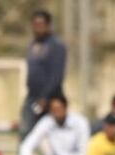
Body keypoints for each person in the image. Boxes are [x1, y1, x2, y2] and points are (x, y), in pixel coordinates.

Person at [19, 94, 89, 155]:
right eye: (54, 110)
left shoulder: (80, 122)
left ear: (66, 108)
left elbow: (84, 150)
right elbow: (27, 145)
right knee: (42, 142)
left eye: (59, 109)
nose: (57, 112)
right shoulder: (46, 122)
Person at [21, 9, 67, 138]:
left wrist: (45, 98)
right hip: (32, 96)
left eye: (40, 25)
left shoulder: (56, 45)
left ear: (48, 25)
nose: (37, 28)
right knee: (26, 131)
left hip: (50, 98)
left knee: (52, 133)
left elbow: (57, 75)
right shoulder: (33, 44)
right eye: (35, 25)